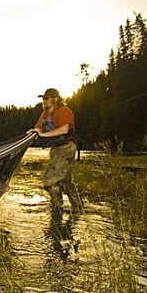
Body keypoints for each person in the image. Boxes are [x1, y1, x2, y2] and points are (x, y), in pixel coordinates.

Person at [27, 88, 83, 217]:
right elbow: (37, 129)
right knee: (66, 181)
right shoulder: (44, 114)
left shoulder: (64, 111)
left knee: (49, 181)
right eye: (43, 99)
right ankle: (79, 208)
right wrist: (31, 133)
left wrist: (43, 135)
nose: (44, 101)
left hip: (67, 148)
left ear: (55, 99)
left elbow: (64, 130)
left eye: (47, 98)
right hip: (55, 149)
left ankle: (57, 208)